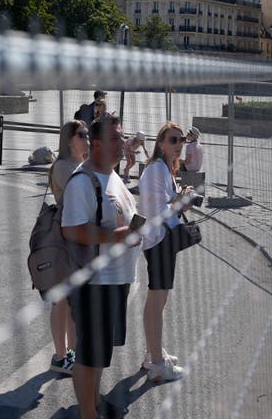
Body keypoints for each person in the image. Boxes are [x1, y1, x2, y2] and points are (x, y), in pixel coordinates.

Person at [61, 112, 139, 419]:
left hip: (115, 280)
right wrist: (119, 235)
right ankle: (87, 413)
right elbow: (72, 229)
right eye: (115, 138)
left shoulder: (113, 175)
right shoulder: (83, 181)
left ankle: (95, 401)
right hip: (95, 282)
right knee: (89, 355)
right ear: (96, 144)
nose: (122, 142)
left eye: (121, 136)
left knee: (100, 353)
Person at [137, 123, 193, 382]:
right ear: (161, 143)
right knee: (157, 302)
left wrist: (180, 197)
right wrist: (180, 199)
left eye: (182, 139)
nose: (179, 143)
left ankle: (153, 353)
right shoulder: (157, 169)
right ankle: (157, 363)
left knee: (159, 300)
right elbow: (159, 210)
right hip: (159, 241)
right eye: (173, 139)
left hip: (161, 241)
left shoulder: (164, 168)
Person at [46, 119, 90, 374]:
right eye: (82, 135)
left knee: (71, 301)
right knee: (61, 300)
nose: (87, 138)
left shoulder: (81, 164)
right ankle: (62, 356)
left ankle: (71, 355)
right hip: (63, 241)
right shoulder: (63, 167)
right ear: (69, 140)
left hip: (78, 240)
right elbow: (78, 200)